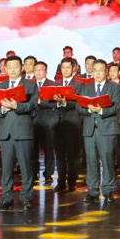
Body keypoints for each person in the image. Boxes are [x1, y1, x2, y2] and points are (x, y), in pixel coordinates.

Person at [0, 56, 37, 211]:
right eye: (9, 67)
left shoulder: (30, 85)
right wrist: (1, 109)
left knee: (26, 167)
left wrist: (16, 106)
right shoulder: (0, 86)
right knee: (6, 169)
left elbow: (33, 106)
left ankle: (26, 198)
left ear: (21, 68)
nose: (13, 70)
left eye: (16, 67)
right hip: (5, 132)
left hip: (23, 131)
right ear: (5, 69)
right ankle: (7, 199)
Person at [77, 59, 120, 203]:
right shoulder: (86, 88)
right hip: (90, 130)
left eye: (101, 70)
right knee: (91, 161)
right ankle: (92, 191)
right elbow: (79, 107)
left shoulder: (114, 87)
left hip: (107, 129)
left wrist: (101, 110)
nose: (97, 73)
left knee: (108, 161)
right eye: (95, 70)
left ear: (106, 72)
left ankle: (108, 191)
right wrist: (90, 109)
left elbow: (116, 107)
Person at [52, 58, 84, 192]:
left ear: (74, 68)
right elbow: (49, 101)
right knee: (59, 155)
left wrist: (65, 103)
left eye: (68, 67)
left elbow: (79, 103)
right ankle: (60, 182)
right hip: (57, 123)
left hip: (72, 123)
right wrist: (57, 102)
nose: (65, 70)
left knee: (72, 155)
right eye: (63, 67)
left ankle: (71, 182)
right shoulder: (55, 84)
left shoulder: (79, 84)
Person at [32, 61, 58, 185]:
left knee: (48, 149)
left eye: (40, 69)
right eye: (36, 70)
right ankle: (33, 173)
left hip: (47, 121)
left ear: (46, 71)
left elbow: (55, 103)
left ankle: (48, 173)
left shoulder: (52, 85)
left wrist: (40, 102)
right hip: (31, 122)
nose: (38, 72)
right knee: (32, 150)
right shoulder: (29, 84)